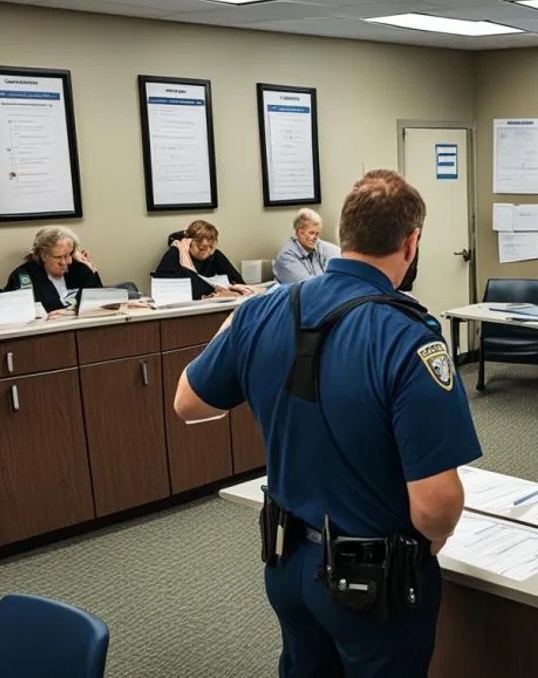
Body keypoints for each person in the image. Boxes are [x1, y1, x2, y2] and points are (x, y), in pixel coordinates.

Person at [172, 169, 481, 676]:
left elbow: (189, 403)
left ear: (346, 232)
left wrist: (236, 326)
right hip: (372, 585)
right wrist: (433, 541)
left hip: (285, 561)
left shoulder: (262, 312)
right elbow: (435, 506)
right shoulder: (411, 338)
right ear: (412, 243)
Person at [3, 226, 103, 316]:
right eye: (58, 257)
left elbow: (99, 301)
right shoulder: (22, 276)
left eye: (68, 255)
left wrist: (73, 312)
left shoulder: (80, 269)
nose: (65, 262)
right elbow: (18, 314)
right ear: (43, 255)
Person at [154, 220, 254, 300]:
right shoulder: (176, 253)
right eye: (201, 248)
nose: (205, 252)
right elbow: (161, 283)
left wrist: (235, 289)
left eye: (210, 247)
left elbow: (238, 281)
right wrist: (214, 291)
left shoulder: (215, 255)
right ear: (189, 242)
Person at [273, 209, 341, 284]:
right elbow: (307, 288)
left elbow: (340, 254)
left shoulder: (318, 245)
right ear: (300, 232)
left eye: (317, 234)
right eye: (311, 233)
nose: (315, 238)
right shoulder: (286, 257)